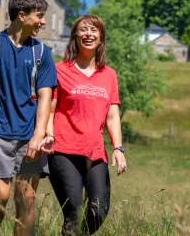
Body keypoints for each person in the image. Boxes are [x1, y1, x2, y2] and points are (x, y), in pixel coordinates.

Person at [0, 0, 57, 236]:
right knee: (0, 197)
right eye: (39, 16)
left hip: (30, 134)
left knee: (26, 200)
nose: (43, 22)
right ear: (22, 15)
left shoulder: (42, 52)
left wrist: (38, 136)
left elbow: (45, 97)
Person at [44, 14, 127, 235]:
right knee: (73, 210)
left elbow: (112, 114)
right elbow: (48, 109)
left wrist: (118, 147)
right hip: (62, 149)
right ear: (75, 36)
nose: (88, 34)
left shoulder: (108, 74)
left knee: (99, 210)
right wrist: (47, 134)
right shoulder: (60, 70)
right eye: (83, 29)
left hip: (95, 152)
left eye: (94, 30)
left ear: (101, 38)